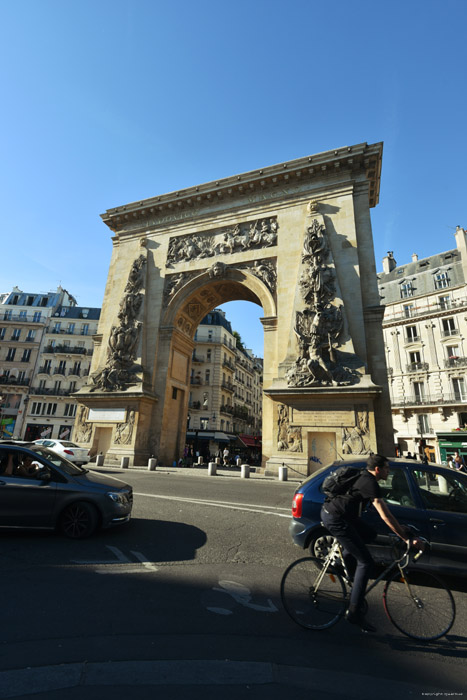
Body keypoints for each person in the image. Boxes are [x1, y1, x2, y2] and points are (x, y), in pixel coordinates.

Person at [320, 453, 423, 633]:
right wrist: (405, 537)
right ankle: (354, 612)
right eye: (387, 468)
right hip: (335, 518)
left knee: (370, 534)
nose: (388, 472)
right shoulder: (369, 482)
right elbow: (385, 515)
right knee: (366, 562)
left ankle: (346, 565)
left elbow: (386, 513)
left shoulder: (366, 478)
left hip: (344, 516)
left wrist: (400, 528)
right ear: (378, 469)